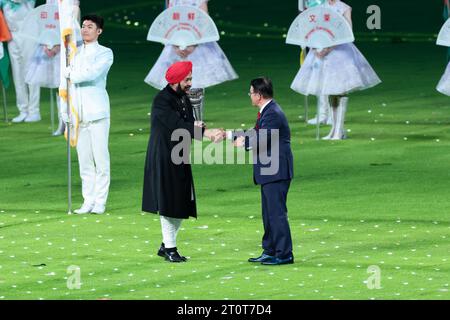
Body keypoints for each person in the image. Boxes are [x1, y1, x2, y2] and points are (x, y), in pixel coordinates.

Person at [142, 61, 225, 263]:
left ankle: (166, 244)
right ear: (176, 81)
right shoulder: (161, 101)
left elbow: (186, 124)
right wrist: (205, 133)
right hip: (163, 157)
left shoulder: (183, 98)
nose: (190, 83)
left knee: (181, 203)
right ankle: (170, 247)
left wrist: (197, 125)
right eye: (187, 79)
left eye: (190, 78)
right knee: (169, 202)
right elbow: (177, 125)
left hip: (179, 155)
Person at [290, 0, 381, 140]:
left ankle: (338, 130)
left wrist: (329, 47)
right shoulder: (320, 6)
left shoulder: (344, 8)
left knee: (339, 91)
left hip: (339, 54)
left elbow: (347, 32)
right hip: (321, 53)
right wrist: (315, 46)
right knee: (331, 92)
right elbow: (314, 28)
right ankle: (335, 130)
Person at [232, 77, 294, 265]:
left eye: (251, 92)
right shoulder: (268, 111)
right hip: (270, 171)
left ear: (258, 95)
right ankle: (270, 250)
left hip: (276, 172)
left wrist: (244, 142)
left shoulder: (272, 113)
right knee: (268, 214)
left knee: (276, 214)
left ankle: (284, 254)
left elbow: (263, 138)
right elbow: (257, 132)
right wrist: (231, 135)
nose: (249, 96)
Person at [144, 0, 238, 119]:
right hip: (175, 46)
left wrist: (193, 45)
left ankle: (195, 118)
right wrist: (174, 45)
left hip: (197, 47)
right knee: (175, 82)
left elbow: (204, 22)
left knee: (194, 83)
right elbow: (168, 22)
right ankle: (179, 114)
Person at [63, 14, 113, 215]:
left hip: (97, 112)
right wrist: (64, 110)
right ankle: (88, 200)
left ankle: (100, 201)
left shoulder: (105, 53)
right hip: (78, 114)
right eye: (83, 26)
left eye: (90, 26)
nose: (85, 29)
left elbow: (92, 74)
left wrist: (70, 74)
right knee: (84, 161)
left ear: (99, 31)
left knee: (100, 159)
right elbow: (63, 83)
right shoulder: (73, 52)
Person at [25, 0, 80, 136]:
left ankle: (72, 121)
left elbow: (74, 24)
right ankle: (62, 122)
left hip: (67, 47)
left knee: (70, 85)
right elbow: (46, 21)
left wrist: (59, 45)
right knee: (58, 87)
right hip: (51, 45)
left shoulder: (71, 3)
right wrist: (46, 43)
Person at [1, 0, 41, 123]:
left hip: (28, 33)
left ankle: (34, 111)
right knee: (17, 73)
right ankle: (23, 110)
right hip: (12, 34)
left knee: (30, 70)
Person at [298, 0, 331, 125]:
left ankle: (333, 114)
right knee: (318, 76)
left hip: (329, 36)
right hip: (313, 36)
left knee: (330, 76)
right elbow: (301, 13)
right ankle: (322, 114)